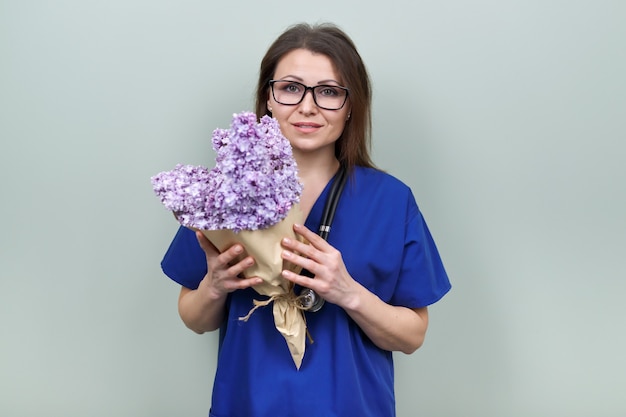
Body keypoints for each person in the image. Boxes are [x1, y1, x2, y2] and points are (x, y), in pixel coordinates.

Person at [160, 22, 451, 417]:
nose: (308, 106)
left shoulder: (391, 201)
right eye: (291, 88)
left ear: (351, 107)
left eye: (329, 92)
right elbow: (194, 318)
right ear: (269, 98)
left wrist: (349, 292)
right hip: (247, 405)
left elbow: (412, 335)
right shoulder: (222, 194)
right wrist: (214, 286)